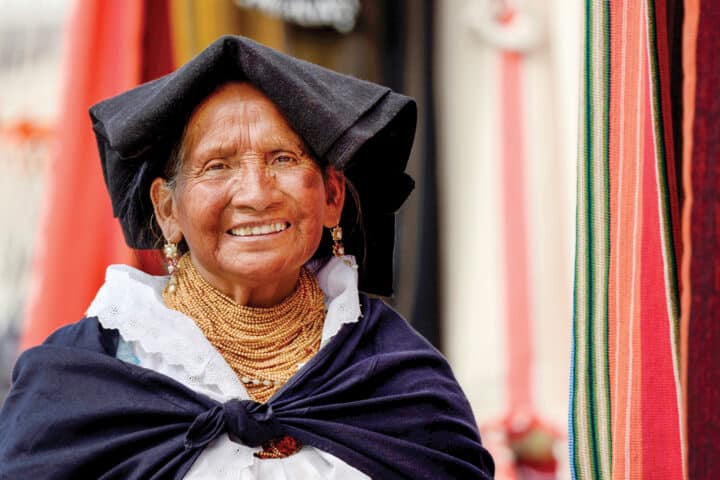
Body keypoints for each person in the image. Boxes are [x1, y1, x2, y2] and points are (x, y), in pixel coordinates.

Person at [0, 36, 494, 479]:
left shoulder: (397, 377)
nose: (256, 194)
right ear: (168, 209)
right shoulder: (83, 377)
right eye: (218, 166)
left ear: (332, 196)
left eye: (283, 159)